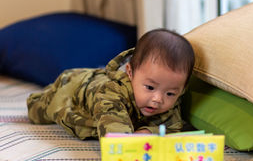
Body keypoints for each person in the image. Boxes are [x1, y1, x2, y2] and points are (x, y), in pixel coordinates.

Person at [27, 28, 195, 139]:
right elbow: (115, 138)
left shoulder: (169, 102)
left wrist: (147, 132)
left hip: (98, 81)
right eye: (150, 87)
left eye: (170, 93)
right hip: (73, 87)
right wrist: (135, 139)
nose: (158, 99)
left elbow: (173, 128)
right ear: (130, 73)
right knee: (38, 111)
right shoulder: (110, 95)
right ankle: (43, 95)